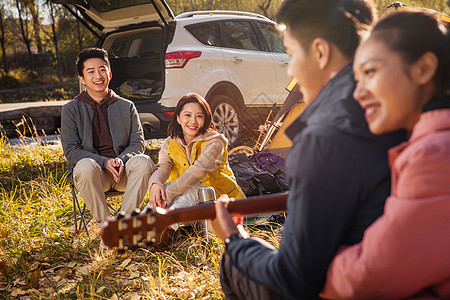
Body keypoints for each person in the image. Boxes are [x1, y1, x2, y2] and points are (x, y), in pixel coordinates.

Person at [209, 0, 407, 299]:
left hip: (359, 285)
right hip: (404, 269)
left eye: (290, 54)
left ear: (320, 52)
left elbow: (294, 278)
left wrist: (234, 239)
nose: (291, 70)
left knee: (234, 266)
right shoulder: (401, 105)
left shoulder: (323, 137)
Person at [321, 11, 450, 300]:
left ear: (424, 69)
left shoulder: (434, 157)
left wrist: (307, 264)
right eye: (356, 79)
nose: (358, 93)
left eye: (370, 73)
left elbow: (370, 276)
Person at [61, 47, 155, 224]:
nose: (98, 76)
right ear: (81, 78)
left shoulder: (126, 106)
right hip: (95, 177)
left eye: (102, 69)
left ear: (110, 73)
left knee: (144, 161)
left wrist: (120, 159)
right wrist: (105, 162)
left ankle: (125, 225)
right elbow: (71, 150)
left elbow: (137, 143)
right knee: (84, 166)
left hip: (124, 173)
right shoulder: (71, 109)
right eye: (91, 71)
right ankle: (107, 227)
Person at [147, 92, 245, 213]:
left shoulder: (215, 142)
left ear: (205, 119)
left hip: (220, 198)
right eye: (187, 115)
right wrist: (155, 184)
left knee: (193, 190)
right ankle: (139, 228)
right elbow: (163, 167)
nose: (193, 121)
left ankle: (165, 224)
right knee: (164, 190)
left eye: (199, 116)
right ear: (178, 118)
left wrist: (168, 195)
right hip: (183, 192)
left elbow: (197, 171)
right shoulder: (170, 142)